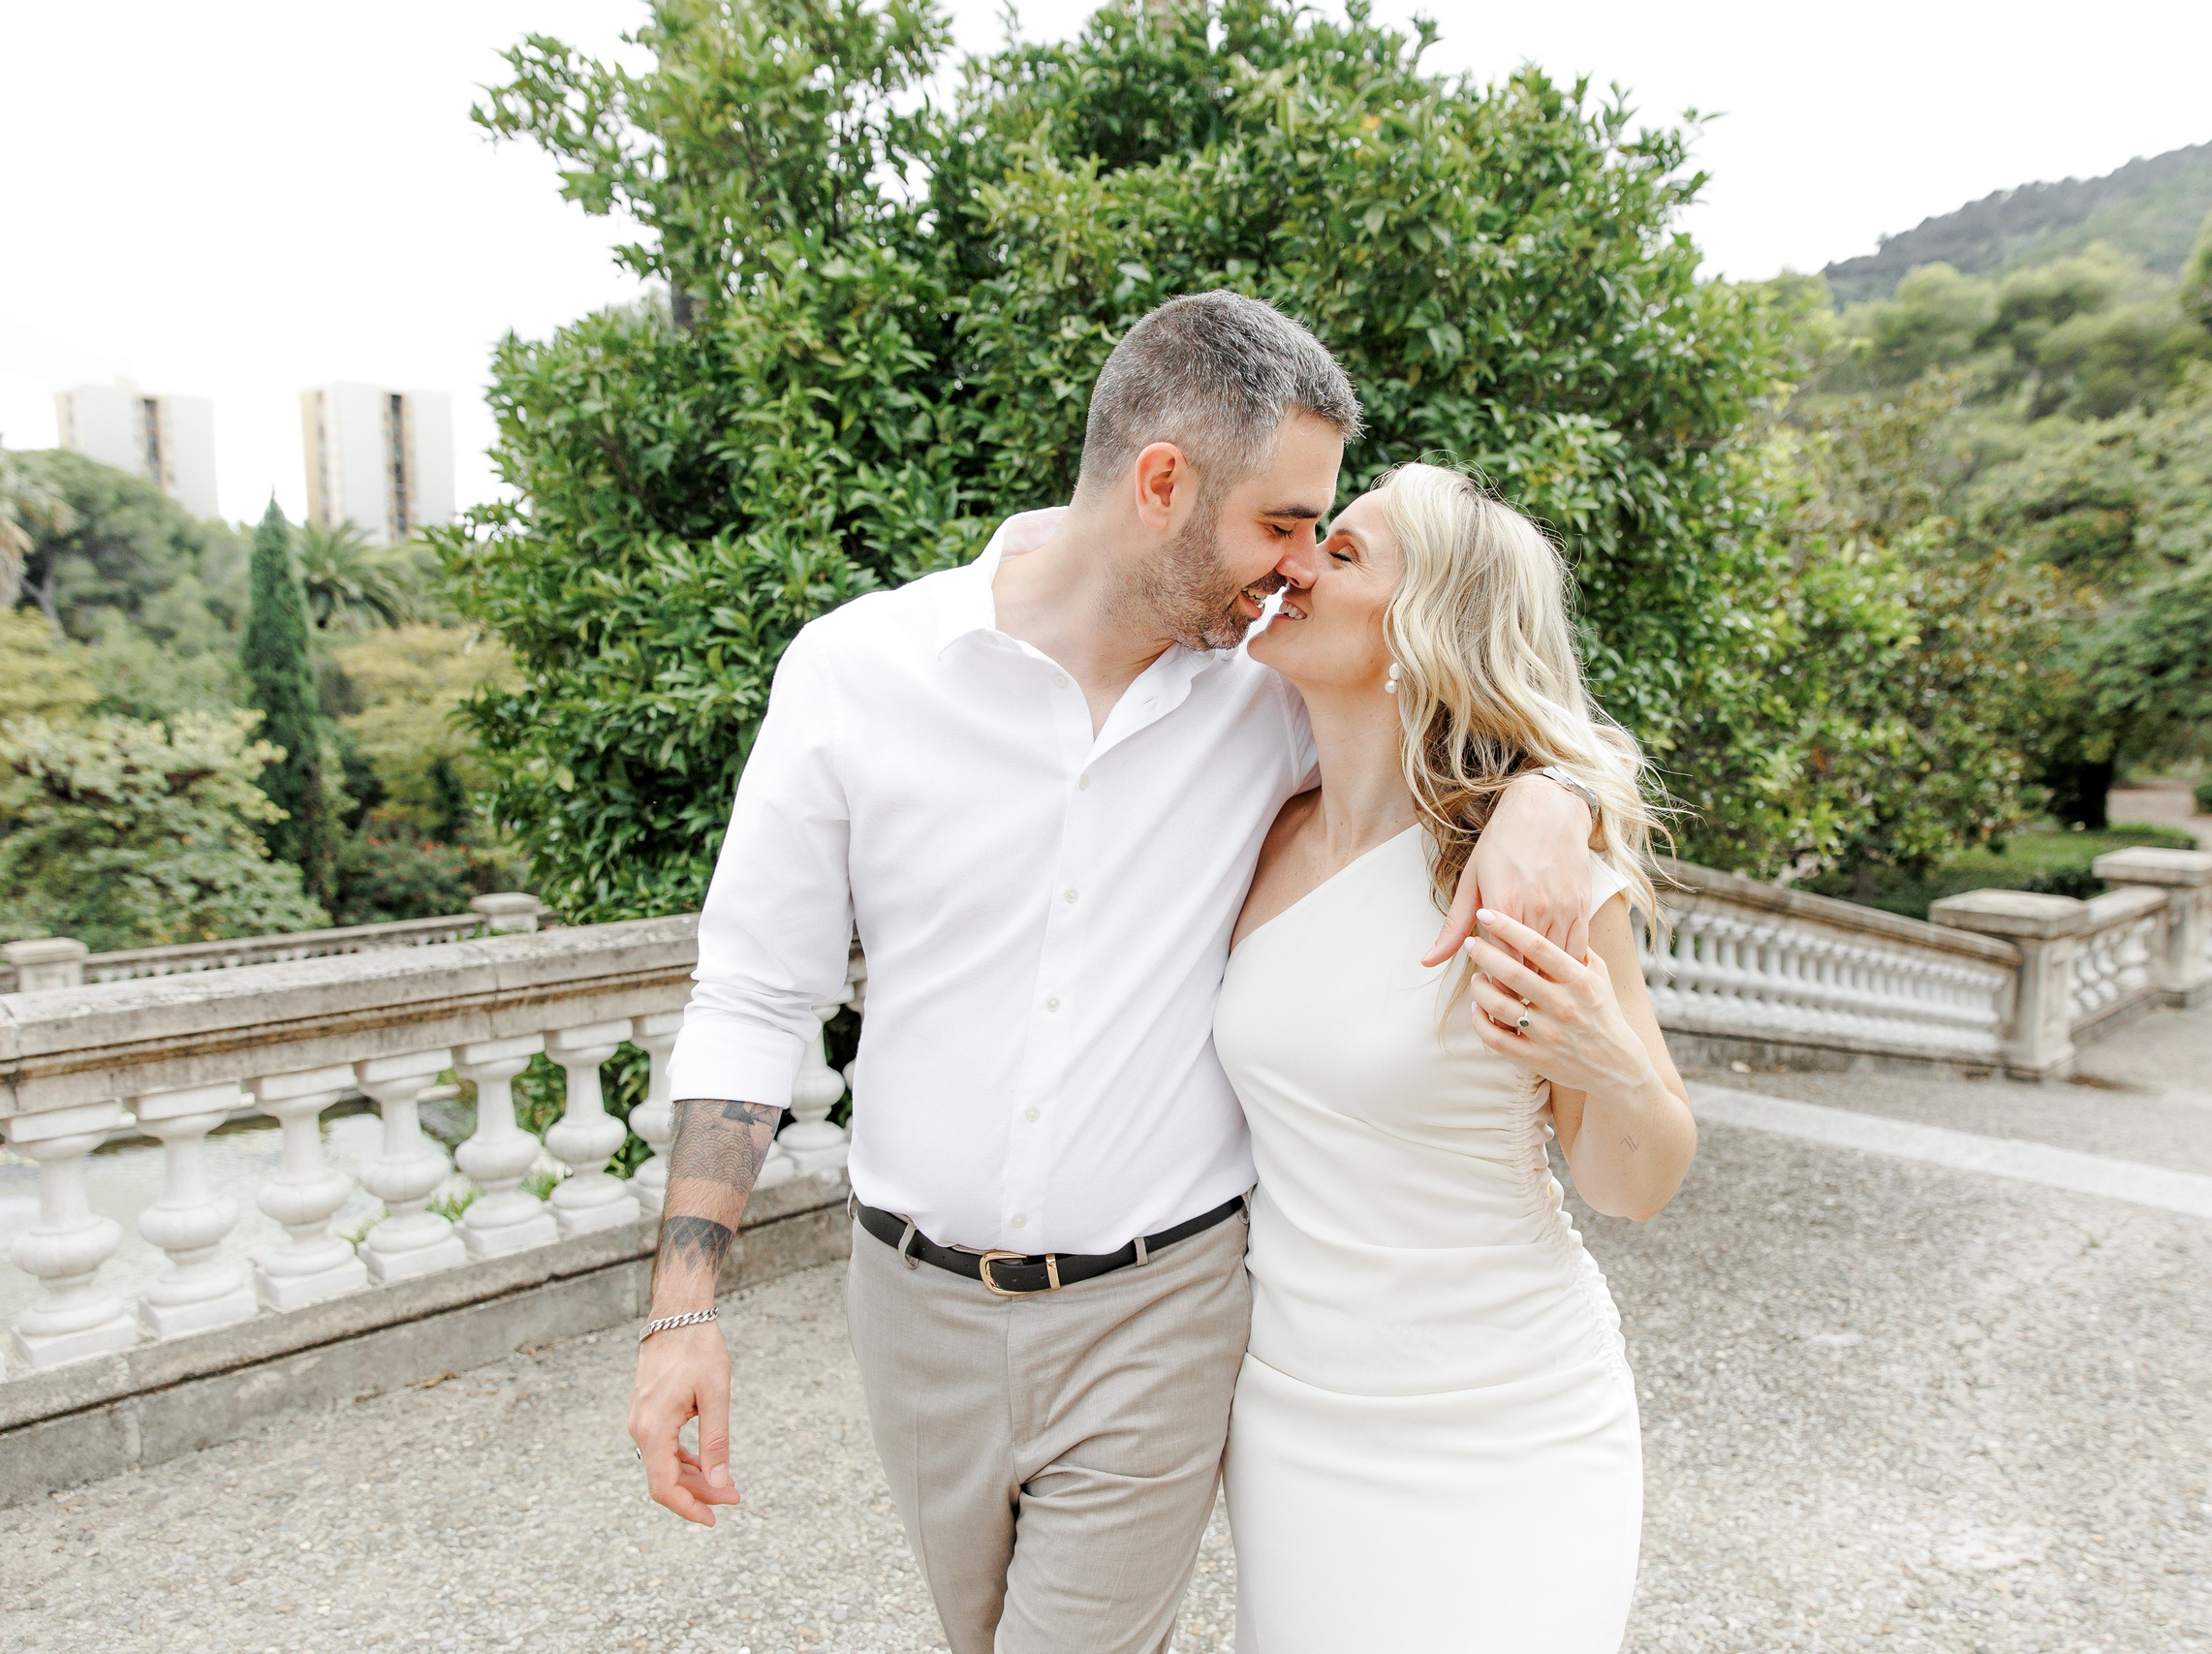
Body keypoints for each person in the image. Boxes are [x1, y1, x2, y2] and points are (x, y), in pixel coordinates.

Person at [624, 292, 1604, 1654]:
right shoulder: (856, 672)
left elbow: (1461, 717)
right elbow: (750, 994)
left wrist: (1551, 795)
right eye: (1276, 524)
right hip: (908, 1309)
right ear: (1160, 483)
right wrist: (682, 1314)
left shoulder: (1273, 698)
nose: (1292, 569)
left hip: (1161, 1304)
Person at [1215, 461, 1698, 1653]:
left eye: (1345, 554)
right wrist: (1564, 783)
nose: (1296, 563)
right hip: (1292, 1420)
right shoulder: (1253, 823)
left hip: (1510, 1417)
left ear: (1427, 626)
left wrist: (1607, 1059)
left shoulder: (1528, 873)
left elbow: (1635, 1184)